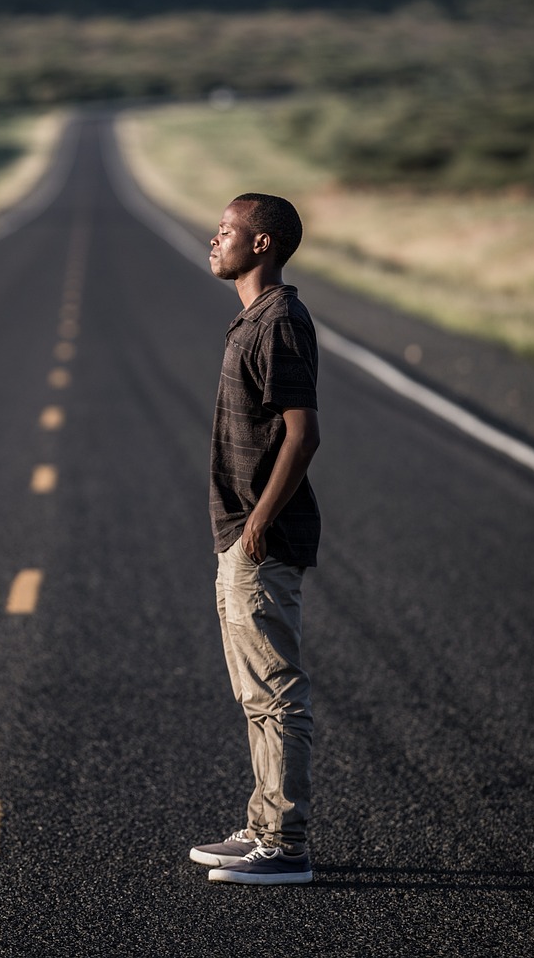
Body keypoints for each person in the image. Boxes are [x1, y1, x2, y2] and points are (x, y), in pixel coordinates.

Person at [190, 193, 321, 886]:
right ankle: (263, 826)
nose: (214, 241)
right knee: (255, 697)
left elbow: (303, 433)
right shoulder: (254, 319)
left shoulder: (276, 322)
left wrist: (259, 525)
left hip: (258, 539)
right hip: (241, 535)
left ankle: (285, 845)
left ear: (261, 243)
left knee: (275, 694)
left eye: (226, 231)